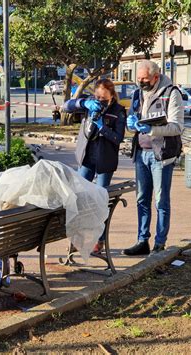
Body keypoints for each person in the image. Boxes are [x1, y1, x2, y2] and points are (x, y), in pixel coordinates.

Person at [122, 60, 184, 256]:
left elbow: (177, 127)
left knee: (160, 200)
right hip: (141, 153)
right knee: (141, 199)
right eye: (138, 79)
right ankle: (142, 241)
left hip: (161, 155)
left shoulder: (171, 93)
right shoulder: (138, 93)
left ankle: (160, 244)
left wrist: (152, 129)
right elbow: (133, 118)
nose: (141, 83)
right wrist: (131, 124)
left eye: (145, 79)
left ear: (156, 77)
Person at [62, 78, 126, 253]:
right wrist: (84, 102)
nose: (100, 101)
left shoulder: (118, 111)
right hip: (87, 159)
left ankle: (100, 240)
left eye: (104, 98)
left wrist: (103, 128)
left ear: (112, 97)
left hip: (105, 162)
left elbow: (118, 138)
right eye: (97, 97)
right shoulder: (90, 105)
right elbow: (66, 106)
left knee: (100, 201)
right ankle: (77, 239)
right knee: (79, 199)